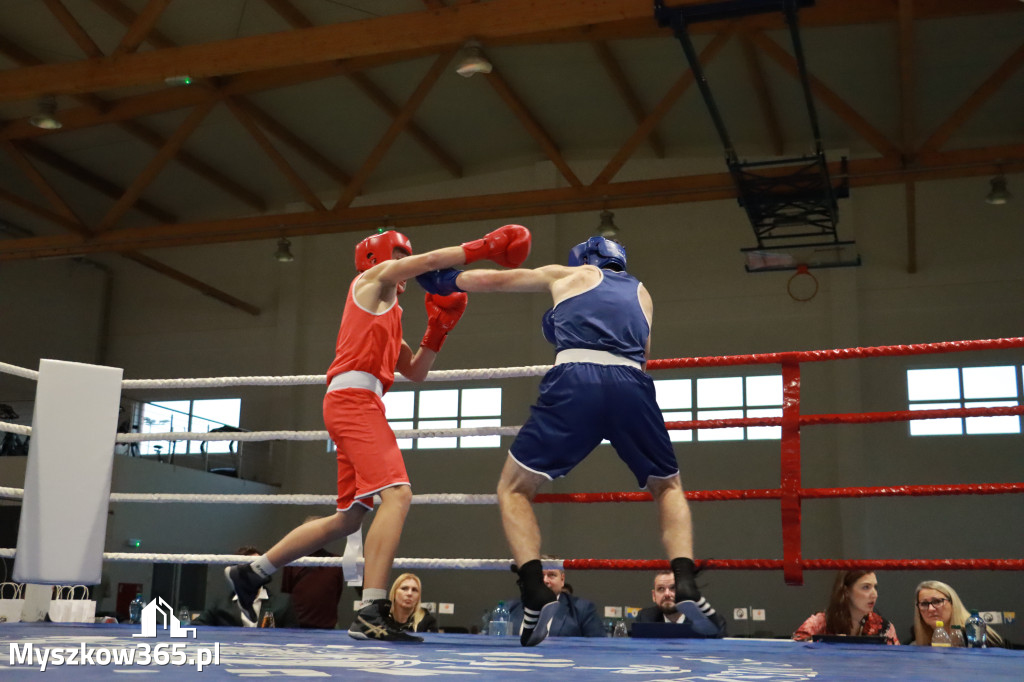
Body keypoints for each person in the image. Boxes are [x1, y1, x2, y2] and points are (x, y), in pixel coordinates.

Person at [224, 225, 532, 642]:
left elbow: (417, 371)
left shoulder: (393, 312)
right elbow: (425, 264)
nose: (405, 266)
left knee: (348, 517)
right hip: (352, 401)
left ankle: (252, 573)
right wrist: (482, 248)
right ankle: (371, 609)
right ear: (379, 258)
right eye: (399, 256)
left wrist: (439, 328)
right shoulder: (368, 283)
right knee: (398, 494)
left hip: (363, 404)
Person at [417, 235, 725, 646]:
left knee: (513, 489)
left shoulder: (568, 274)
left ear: (583, 259)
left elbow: (501, 280)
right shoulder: (643, 292)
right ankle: (685, 581)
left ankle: (533, 590)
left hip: (576, 378)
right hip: (633, 383)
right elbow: (643, 351)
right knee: (667, 486)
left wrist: (448, 280)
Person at [195, 547, 299, 628]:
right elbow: (196, 626)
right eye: (247, 568)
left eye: (256, 566)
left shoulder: (282, 603)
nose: (253, 573)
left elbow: (294, 636)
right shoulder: (220, 604)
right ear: (236, 574)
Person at [792, 570, 899, 644]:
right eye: (866, 587)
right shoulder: (820, 622)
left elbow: (895, 665)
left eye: (875, 587)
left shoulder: (885, 628)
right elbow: (793, 652)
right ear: (847, 591)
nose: (874, 594)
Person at [279, 516, 347, 629]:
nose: (314, 536)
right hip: (295, 627)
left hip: (328, 627)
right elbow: (287, 595)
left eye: (318, 532)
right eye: (311, 532)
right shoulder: (293, 560)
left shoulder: (336, 561)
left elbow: (337, 594)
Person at [506, 561, 604, 638]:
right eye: (539, 575)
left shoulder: (582, 610)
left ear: (562, 580)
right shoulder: (509, 608)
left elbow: (598, 649)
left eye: (551, 575)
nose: (545, 580)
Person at [909, 580, 1006, 647]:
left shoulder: (976, 635)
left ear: (953, 603)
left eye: (937, 601)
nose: (930, 609)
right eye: (924, 604)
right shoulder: (917, 642)